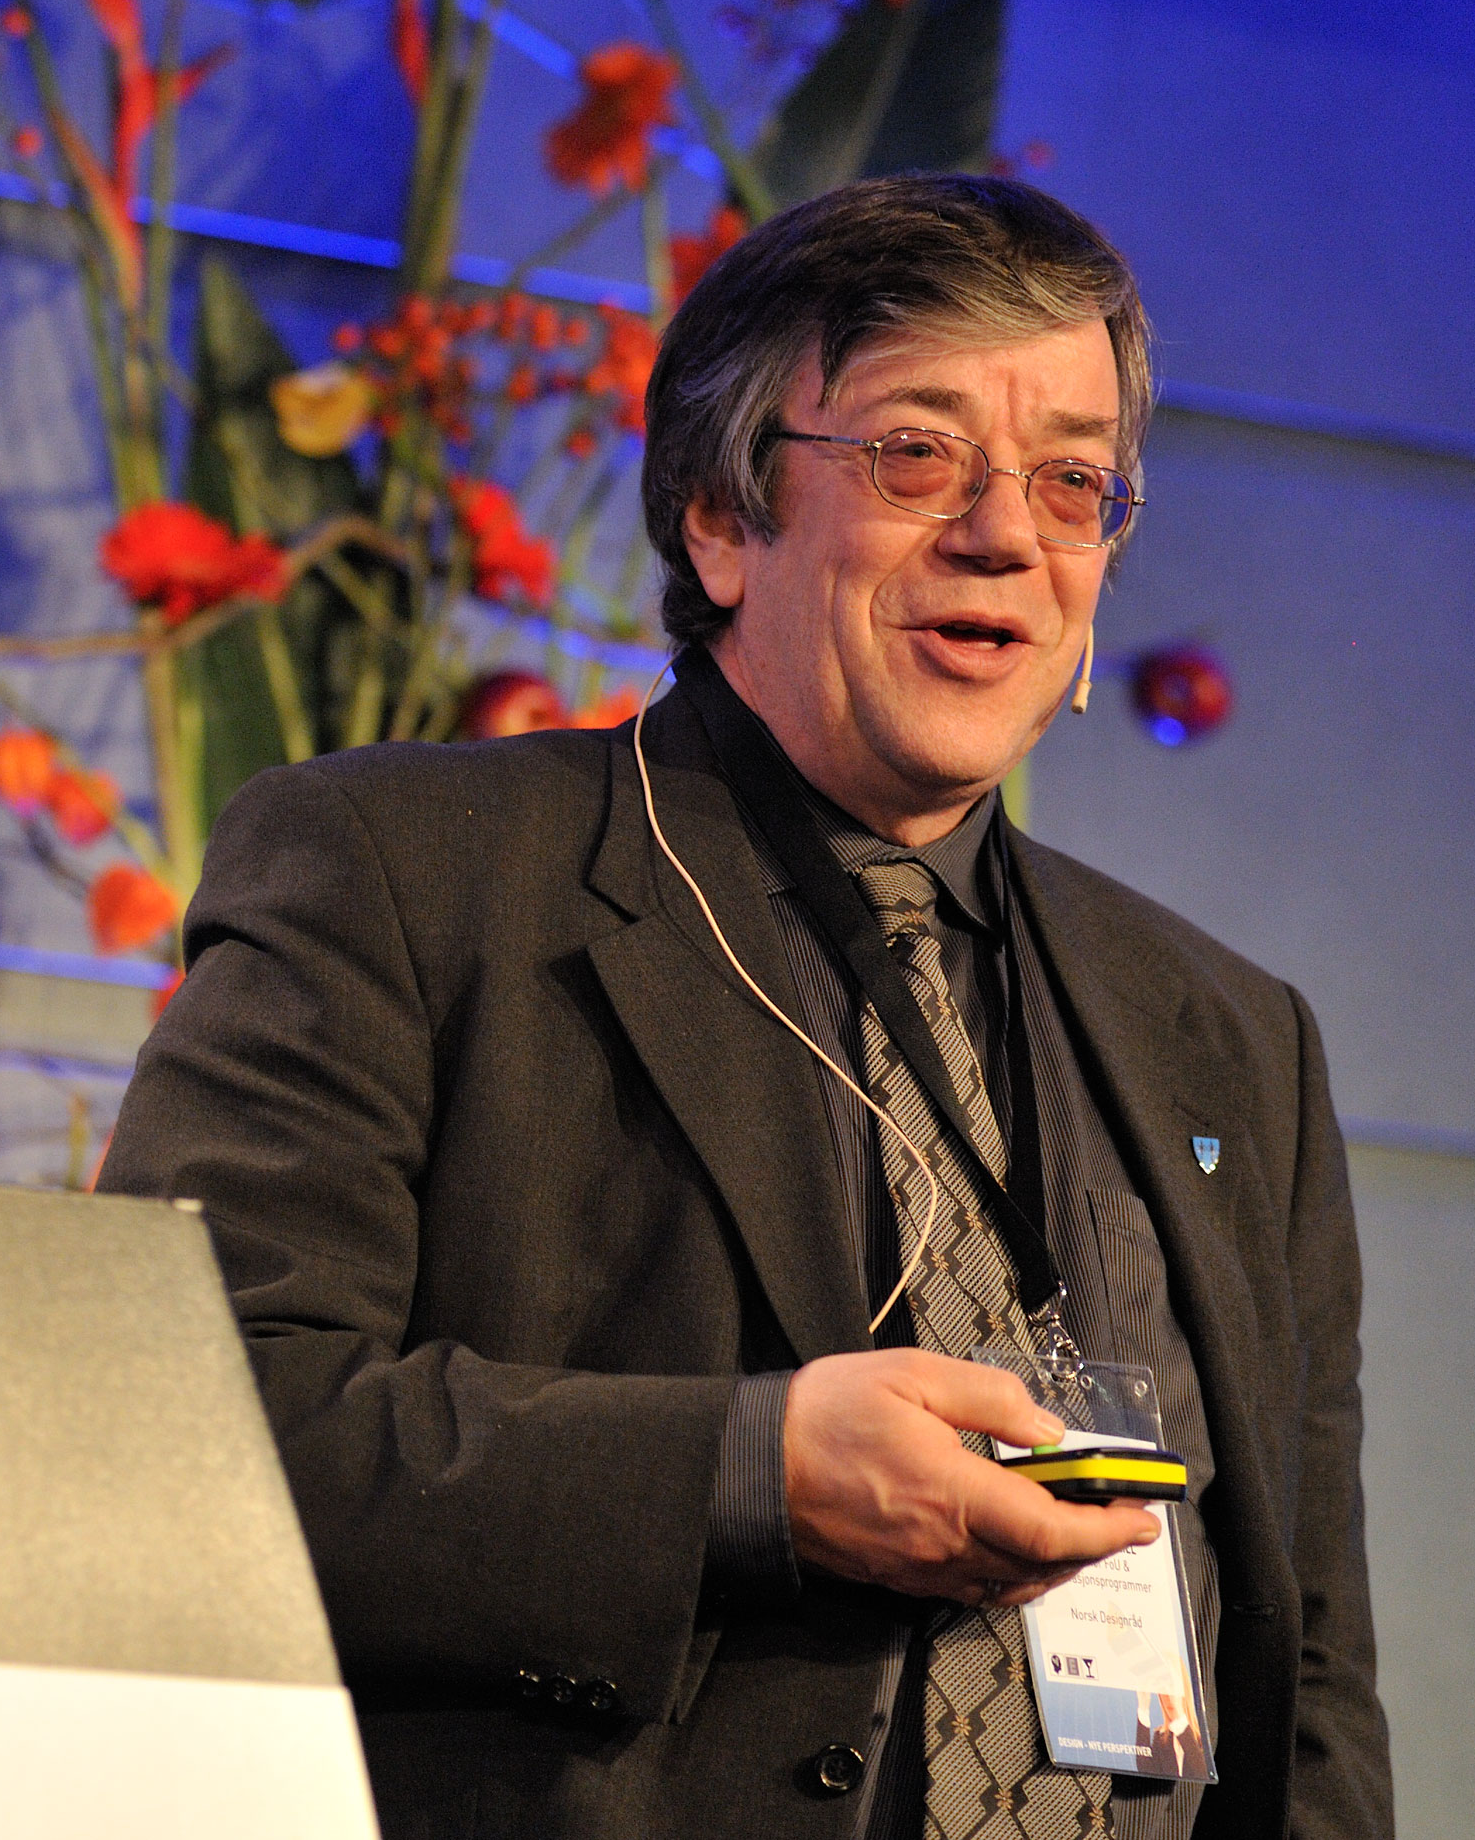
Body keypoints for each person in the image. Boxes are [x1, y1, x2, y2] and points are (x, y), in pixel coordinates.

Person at [99, 173, 1389, 1840]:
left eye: (1073, 481)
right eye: (917, 455)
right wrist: (743, 1477)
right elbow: (184, 1434)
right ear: (721, 514)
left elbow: (1311, 1677)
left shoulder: (1230, 1033)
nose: (1006, 534)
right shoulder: (407, 876)